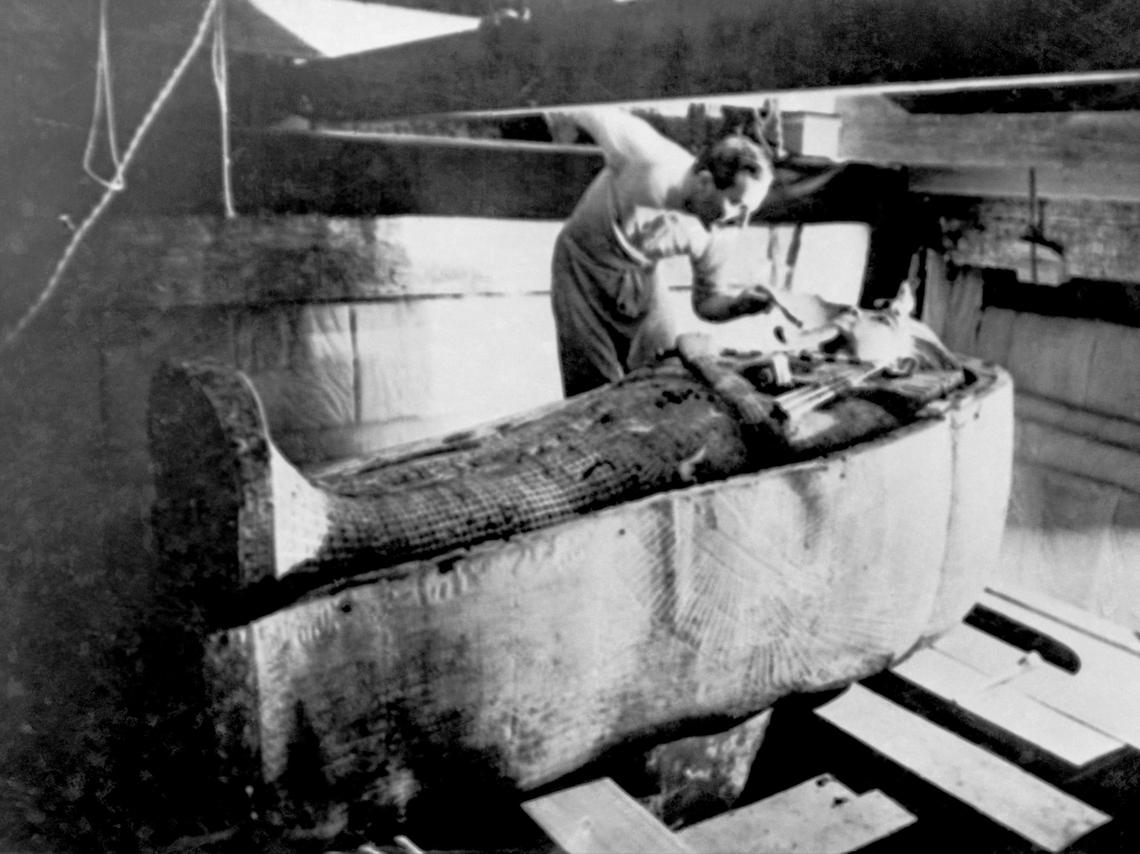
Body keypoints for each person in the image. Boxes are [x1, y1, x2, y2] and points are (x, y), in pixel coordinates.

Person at [549, 107, 778, 397]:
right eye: (736, 204)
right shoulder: (649, 157)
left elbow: (707, 302)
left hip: (641, 277)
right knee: (593, 395)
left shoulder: (721, 230)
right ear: (705, 181)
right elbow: (586, 107)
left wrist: (738, 306)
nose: (742, 224)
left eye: (750, 212)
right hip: (581, 267)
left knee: (666, 377)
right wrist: (560, 122)